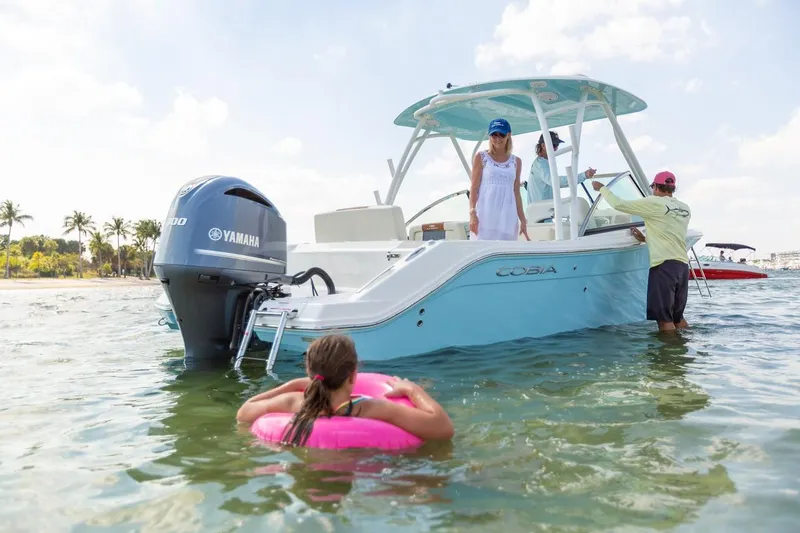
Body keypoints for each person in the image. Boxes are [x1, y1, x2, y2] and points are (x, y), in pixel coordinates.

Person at [236, 334, 454, 446]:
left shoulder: (293, 402)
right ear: (353, 375)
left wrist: (290, 385)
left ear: (310, 373)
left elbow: (244, 413)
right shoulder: (371, 408)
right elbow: (443, 428)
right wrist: (414, 390)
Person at [591, 171, 692, 332]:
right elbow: (669, 234)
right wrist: (645, 238)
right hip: (682, 267)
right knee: (678, 318)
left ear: (656, 187)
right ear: (672, 188)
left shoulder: (654, 203)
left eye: (652, 187)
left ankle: (670, 349)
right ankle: (687, 344)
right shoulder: (685, 209)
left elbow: (619, 204)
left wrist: (602, 188)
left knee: (664, 321)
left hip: (664, 267)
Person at [468, 118, 530, 241]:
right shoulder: (481, 157)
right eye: (494, 135)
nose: (498, 138)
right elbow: (474, 189)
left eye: (501, 134)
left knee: (507, 250)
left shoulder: (516, 162)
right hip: (485, 217)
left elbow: (516, 193)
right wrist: (472, 214)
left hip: (508, 217)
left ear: (508, 135)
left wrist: (523, 220)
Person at [527, 130, 597, 203]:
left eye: (557, 145)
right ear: (543, 146)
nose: (556, 148)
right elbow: (555, 182)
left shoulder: (540, 162)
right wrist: (584, 175)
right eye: (554, 145)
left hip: (541, 206)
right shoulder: (541, 165)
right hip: (542, 208)